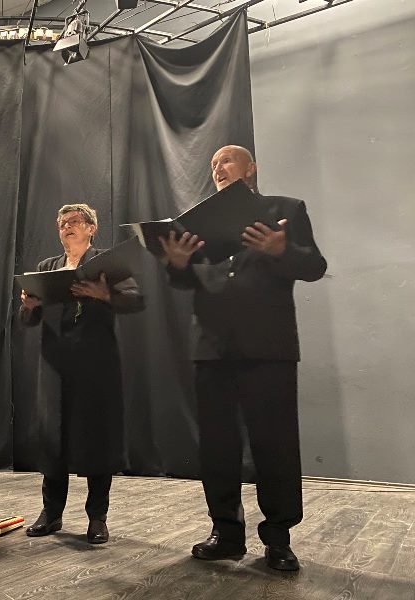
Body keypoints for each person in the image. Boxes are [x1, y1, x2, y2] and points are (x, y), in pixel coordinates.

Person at [160, 145, 327, 571]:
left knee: (275, 444)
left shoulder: (285, 209)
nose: (218, 168)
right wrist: (177, 263)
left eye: (226, 161)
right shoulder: (196, 224)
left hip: (269, 347)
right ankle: (226, 533)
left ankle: (278, 539)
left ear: (250, 168)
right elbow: (185, 281)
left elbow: (314, 266)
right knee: (217, 447)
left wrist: (281, 250)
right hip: (211, 349)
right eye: (213, 164)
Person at [20, 204, 145, 544]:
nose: (67, 226)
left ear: (91, 228)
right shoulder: (47, 268)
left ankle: (97, 517)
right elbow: (28, 319)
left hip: (96, 362)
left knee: (97, 436)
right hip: (55, 362)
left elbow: (136, 300)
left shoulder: (106, 263)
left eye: (74, 221)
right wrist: (29, 307)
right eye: (62, 223)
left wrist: (105, 294)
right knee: (53, 436)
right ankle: (51, 514)